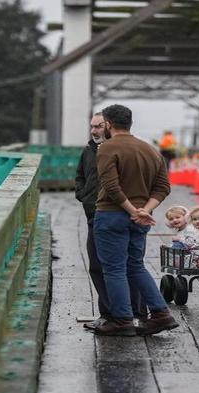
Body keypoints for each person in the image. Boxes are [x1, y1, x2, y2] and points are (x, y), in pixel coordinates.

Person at [91, 104, 178, 337]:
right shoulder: (150, 149)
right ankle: (161, 314)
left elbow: (111, 187)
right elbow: (163, 187)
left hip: (112, 216)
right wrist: (144, 211)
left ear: (108, 124)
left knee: (114, 269)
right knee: (135, 266)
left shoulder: (107, 148)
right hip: (140, 219)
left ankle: (121, 320)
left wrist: (131, 210)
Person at [74, 109, 146, 329]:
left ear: (109, 125)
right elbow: (81, 176)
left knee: (128, 265)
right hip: (94, 215)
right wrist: (83, 194)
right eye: (92, 126)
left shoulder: (120, 149)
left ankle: (133, 312)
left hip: (119, 215)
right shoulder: (88, 151)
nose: (94, 130)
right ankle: (109, 313)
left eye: (98, 126)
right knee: (97, 265)